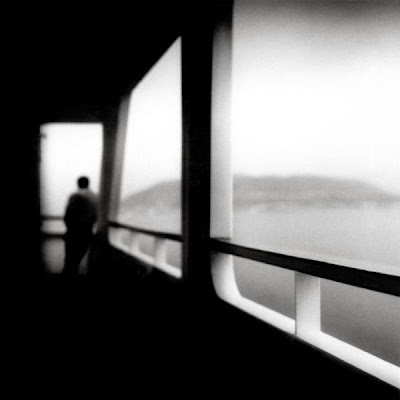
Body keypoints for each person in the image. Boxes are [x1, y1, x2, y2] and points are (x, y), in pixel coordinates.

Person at [63, 176, 98, 277]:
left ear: (78, 183)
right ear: (88, 183)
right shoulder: (95, 196)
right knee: (77, 259)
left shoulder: (76, 195)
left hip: (75, 232)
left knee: (70, 261)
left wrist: (69, 229)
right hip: (88, 232)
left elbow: (69, 215)